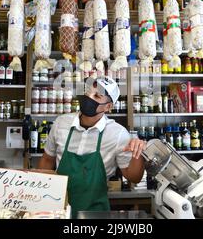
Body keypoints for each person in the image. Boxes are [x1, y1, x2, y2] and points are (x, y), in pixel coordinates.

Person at [38, 77, 146, 218]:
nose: (89, 96)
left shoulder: (118, 134)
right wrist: (38, 197)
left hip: (95, 213)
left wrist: (138, 152)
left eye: (97, 95)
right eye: (88, 92)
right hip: (57, 209)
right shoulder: (61, 123)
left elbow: (134, 177)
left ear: (108, 107)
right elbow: (47, 160)